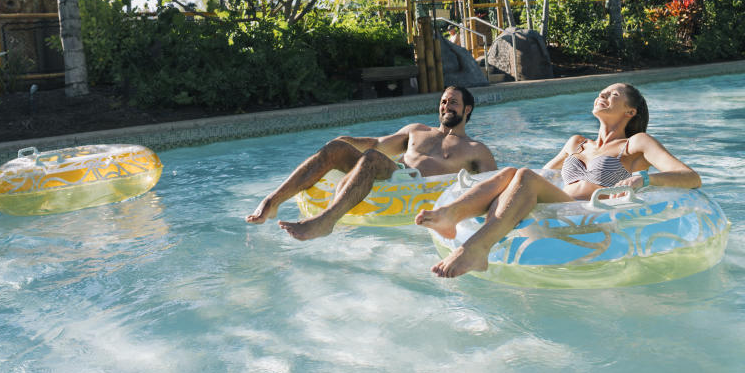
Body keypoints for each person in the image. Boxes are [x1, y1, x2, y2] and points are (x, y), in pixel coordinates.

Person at [416, 82, 700, 278]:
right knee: (514, 172)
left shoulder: (636, 143)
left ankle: (476, 248)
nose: (603, 95)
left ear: (630, 111)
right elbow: (541, 176)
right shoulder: (577, 143)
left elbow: (690, 177)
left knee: (524, 175)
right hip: (557, 210)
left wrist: (644, 179)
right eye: (601, 92)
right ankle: (450, 215)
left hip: (589, 215)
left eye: (612, 94)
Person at [247, 85, 498, 240]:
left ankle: (326, 221)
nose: (446, 106)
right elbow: (376, 143)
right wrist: (344, 142)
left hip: (414, 185)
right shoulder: (418, 130)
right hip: (393, 171)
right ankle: (272, 202)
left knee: (372, 159)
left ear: (467, 110)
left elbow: (492, 186)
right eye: (443, 101)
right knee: (336, 148)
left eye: (453, 102)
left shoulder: (476, 149)